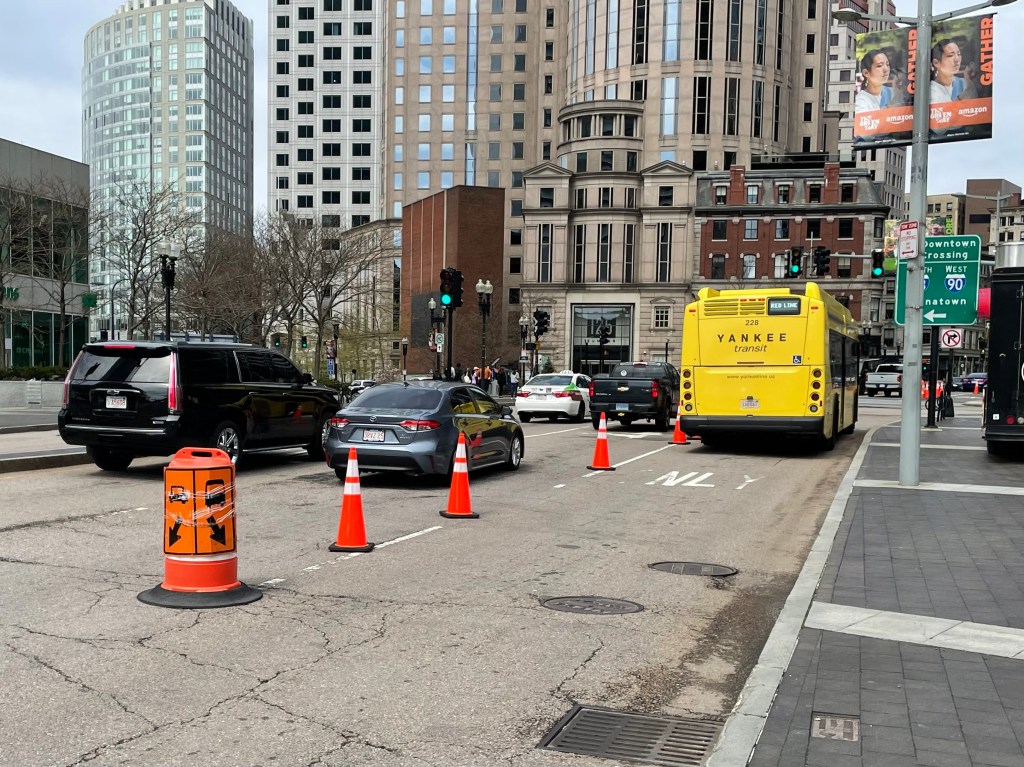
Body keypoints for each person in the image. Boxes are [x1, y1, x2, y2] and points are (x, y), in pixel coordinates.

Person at [929, 39, 977, 104]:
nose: (957, 59)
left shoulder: (965, 83)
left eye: (959, 54)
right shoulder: (931, 90)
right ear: (936, 63)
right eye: (950, 55)